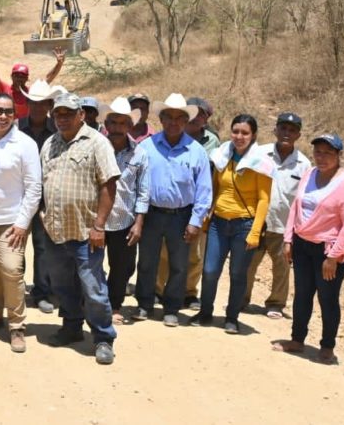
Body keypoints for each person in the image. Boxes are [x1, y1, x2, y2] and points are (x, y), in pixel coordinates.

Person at [39, 92, 121, 365]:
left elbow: (109, 185)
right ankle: (71, 327)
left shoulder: (97, 143)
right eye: (57, 114)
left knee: (93, 288)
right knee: (63, 286)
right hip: (55, 231)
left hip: (87, 233)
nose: (61, 118)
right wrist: (42, 214)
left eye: (67, 113)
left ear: (81, 115)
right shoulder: (50, 144)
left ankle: (103, 338)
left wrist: (99, 225)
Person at [274, 133, 344, 364]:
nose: (321, 158)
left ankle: (327, 346)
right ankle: (297, 339)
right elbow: (296, 206)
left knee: (328, 298)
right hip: (303, 246)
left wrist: (333, 257)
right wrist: (288, 239)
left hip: (328, 251)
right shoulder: (310, 174)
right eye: (318, 152)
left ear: (339, 156)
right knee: (302, 293)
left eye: (328, 153)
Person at [133, 94, 212, 327]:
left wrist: (196, 221)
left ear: (186, 120)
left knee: (179, 264)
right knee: (147, 261)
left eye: (179, 118)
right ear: (161, 119)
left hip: (182, 216)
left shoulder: (196, 151)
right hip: (152, 213)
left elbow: (204, 190)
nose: (174, 122)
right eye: (169, 117)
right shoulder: (146, 147)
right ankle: (144, 304)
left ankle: (171, 308)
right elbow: (137, 182)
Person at [0, 93, 42, 353]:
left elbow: (34, 186)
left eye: (8, 112)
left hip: (12, 220)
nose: (2, 116)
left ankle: (16, 325)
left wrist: (23, 222)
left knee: (11, 270)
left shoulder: (25, 144)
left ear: (15, 115)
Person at [194, 115, 273, 334]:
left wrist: (255, 232)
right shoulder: (222, 156)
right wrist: (206, 218)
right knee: (209, 270)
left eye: (245, 133)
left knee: (238, 273)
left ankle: (232, 317)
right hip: (219, 222)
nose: (239, 137)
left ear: (253, 135)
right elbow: (215, 188)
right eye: (235, 131)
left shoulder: (262, 163)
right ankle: (205, 311)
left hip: (244, 225)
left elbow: (264, 200)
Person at [244, 112, 310, 318]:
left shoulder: (304, 164)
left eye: (292, 130)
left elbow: (303, 198)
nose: (286, 133)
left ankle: (275, 304)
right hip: (257, 221)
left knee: (282, 265)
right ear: (275, 130)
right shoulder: (260, 154)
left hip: (284, 225)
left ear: (298, 135)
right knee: (247, 263)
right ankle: (241, 299)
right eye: (283, 128)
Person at [18, 79, 63, 314]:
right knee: (16, 245)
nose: (37, 107)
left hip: (45, 197)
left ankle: (42, 291)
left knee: (43, 245)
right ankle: (16, 289)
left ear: (48, 105)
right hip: (18, 197)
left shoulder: (57, 132)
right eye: (33, 103)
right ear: (27, 104)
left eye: (42, 103)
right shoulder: (15, 128)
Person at [102, 97, 148, 324]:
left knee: (122, 267)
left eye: (123, 124)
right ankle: (94, 302)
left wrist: (139, 222)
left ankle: (114, 305)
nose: (117, 128)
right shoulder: (97, 149)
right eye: (113, 123)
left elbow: (143, 191)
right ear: (106, 125)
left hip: (124, 221)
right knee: (90, 264)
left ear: (130, 126)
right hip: (97, 219)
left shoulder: (140, 154)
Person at [0, 42, 65, 120]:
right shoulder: (4, 89)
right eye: (16, 75)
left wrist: (59, 64)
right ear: (11, 76)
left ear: (27, 78)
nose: (19, 78)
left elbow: (49, 78)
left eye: (22, 76)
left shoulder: (31, 92)